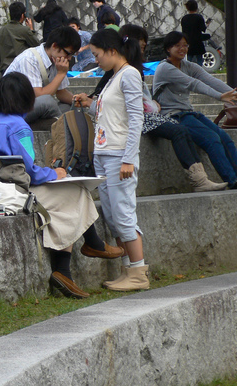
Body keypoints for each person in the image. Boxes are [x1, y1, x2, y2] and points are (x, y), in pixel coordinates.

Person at [0, 73, 123, 299]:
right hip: (18, 190)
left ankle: (72, 264)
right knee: (76, 190)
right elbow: (29, 171)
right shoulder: (19, 125)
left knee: (66, 200)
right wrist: (55, 173)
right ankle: (77, 256)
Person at [74, 29, 147, 292]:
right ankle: (128, 269)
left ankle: (138, 272)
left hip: (119, 156)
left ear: (112, 51)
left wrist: (129, 158)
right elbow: (109, 113)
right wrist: (89, 103)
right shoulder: (113, 77)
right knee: (113, 215)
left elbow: (136, 118)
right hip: (105, 155)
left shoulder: (129, 74)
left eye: (97, 55)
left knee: (124, 213)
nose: (96, 60)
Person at [111, 25, 226, 191]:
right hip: (137, 118)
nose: (143, 49)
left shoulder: (134, 67)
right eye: (141, 46)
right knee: (179, 131)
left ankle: (201, 179)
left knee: (182, 130)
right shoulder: (126, 69)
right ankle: (199, 181)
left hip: (146, 114)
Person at [152, 31, 237, 190]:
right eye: (178, 46)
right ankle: (233, 181)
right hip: (174, 116)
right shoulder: (165, 68)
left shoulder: (187, 65)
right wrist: (220, 97)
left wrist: (233, 93)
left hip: (188, 113)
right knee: (212, 139)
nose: (182, 49)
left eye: (185, 45)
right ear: (168, 48)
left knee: (224, 136)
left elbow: (208, 79)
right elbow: (193, 84)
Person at [2, 25, 81, 126]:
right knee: (48, 101)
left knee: (68, 107)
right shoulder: (30, 58)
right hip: (13, 108)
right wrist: (61, 74)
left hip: (33, 108)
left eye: (72, 55)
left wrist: (78, 100)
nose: (69, 58)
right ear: (55, 46)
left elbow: (61, 92)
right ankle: (54, 127)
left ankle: (45, 123)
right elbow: (39, 96)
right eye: (68, 53)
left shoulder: (56, 60)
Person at [0, 1, 39, 82]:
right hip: (20, 70)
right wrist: (31, 30)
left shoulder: (2, 30)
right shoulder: (25, 30)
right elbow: (37, 45)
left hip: (5, 70)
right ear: (22, 15)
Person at [180, 0, 208, 65]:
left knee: (189, 59)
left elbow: (183, 31)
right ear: (196, 7)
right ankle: (199, 74)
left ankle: (189, 73)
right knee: (199, 60)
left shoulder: (184, 18)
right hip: (198, 41)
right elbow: (203, 29)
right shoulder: (199, 17)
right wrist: (207, 24)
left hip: (189, 41)